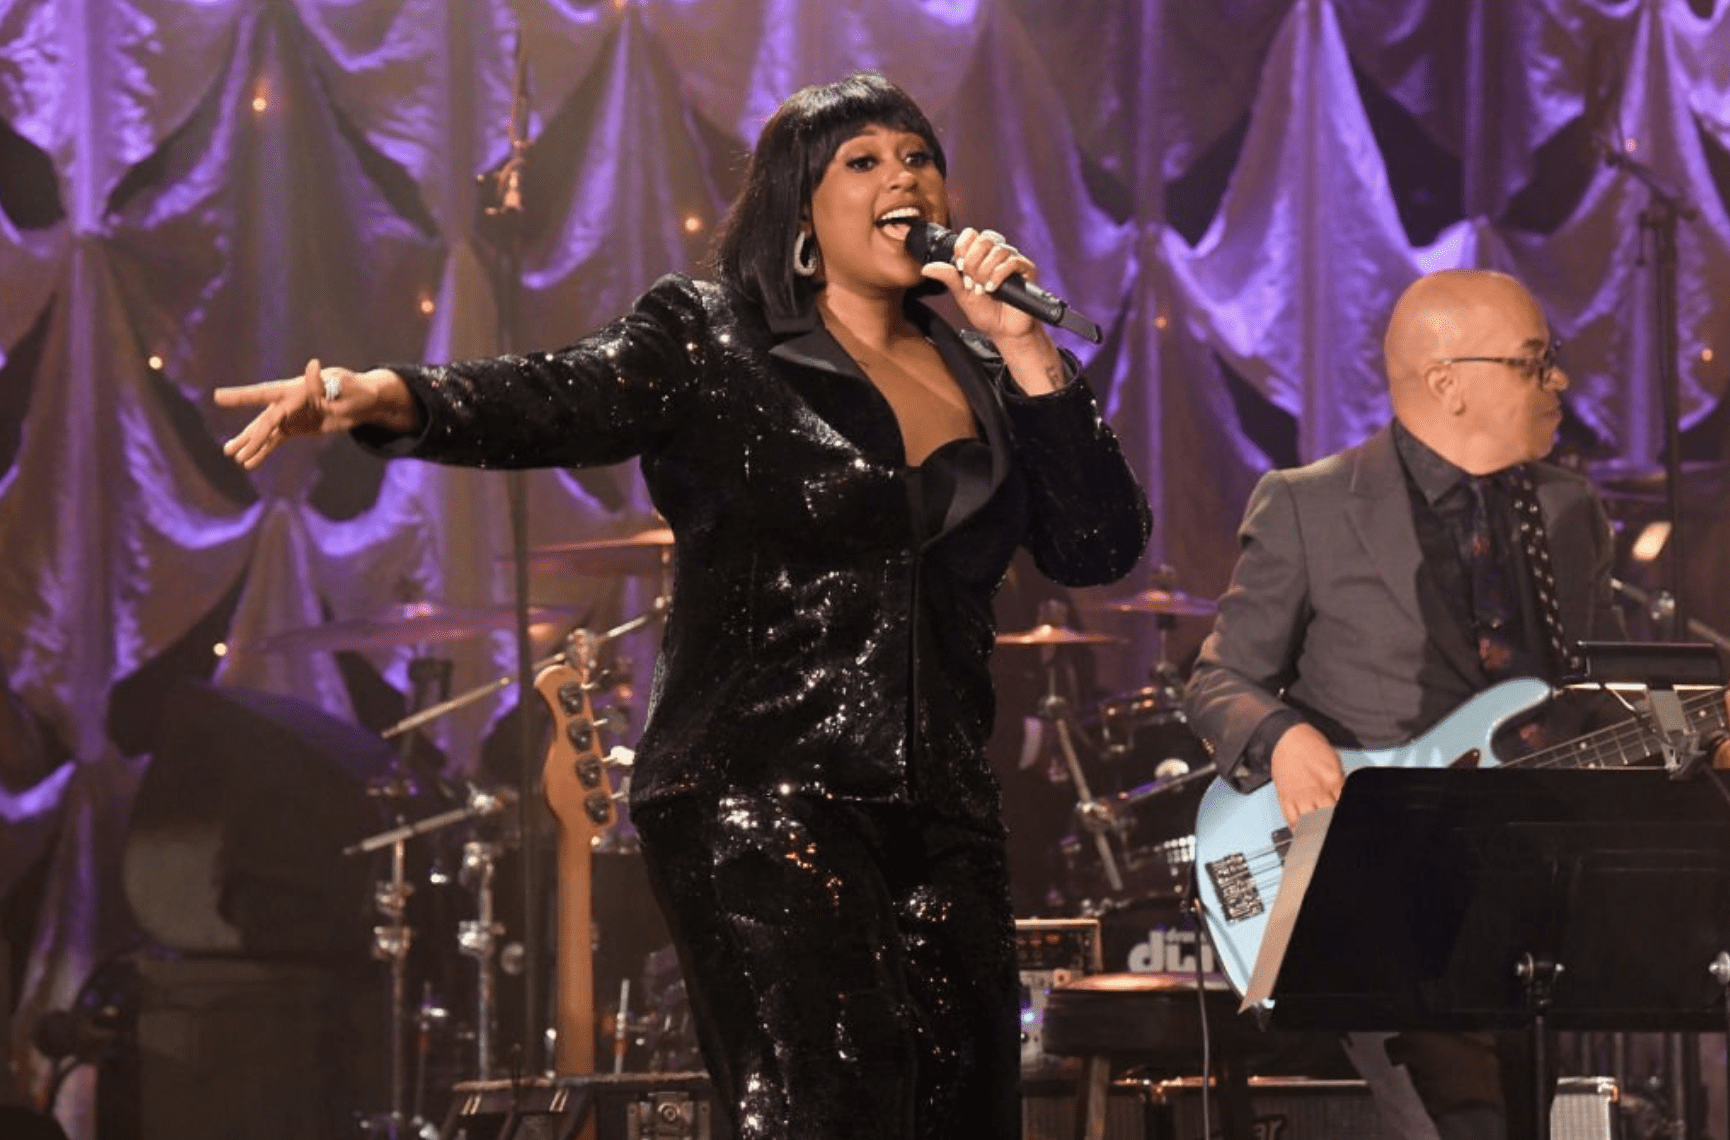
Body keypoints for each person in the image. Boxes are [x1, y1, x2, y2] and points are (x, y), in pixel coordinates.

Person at [215, 73, 1151, 1140]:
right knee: (829, 1106)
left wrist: (1029, 351)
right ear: (801, 207)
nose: (904, 175)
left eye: (919, 156)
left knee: (965, 1104)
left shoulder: (980, 366)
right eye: (864, 160)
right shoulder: (714, 338)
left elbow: (1098, 543)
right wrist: (389, 394)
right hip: (760, 788)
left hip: (940, 805)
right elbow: (557, 395)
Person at [1182, 267, 1730, 1140]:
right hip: (1375, 883)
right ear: (1448, 382)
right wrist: (1282, 737)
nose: (1560, 382)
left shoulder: (1568, 507)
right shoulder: (1308, 503)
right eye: (1534, 361)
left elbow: (1594, 699)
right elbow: (1219, 679)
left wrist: (1688, 734)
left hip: (1524, 887)